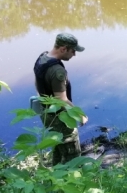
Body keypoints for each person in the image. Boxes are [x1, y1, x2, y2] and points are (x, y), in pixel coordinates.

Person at [34, 33, 88, 165]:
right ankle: (72, 179)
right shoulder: (58, 71)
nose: (74, 54)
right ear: (63, 49)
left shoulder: (42, 58)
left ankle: (55, 177)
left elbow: (37, 82)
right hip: (59, 117)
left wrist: (43, 98)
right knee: (72, 153)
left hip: (46, 112)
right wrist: (80, 115)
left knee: (58, 145)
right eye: (73, 51)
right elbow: (62, 100)